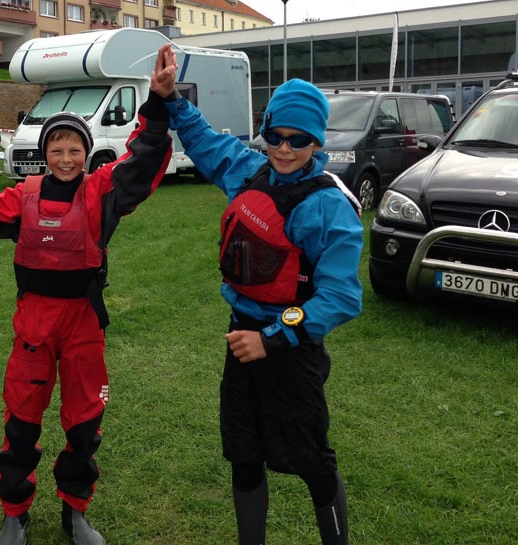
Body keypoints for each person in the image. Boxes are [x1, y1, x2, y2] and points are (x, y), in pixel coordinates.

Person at [0, 47, 176, 545]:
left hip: (82, 325)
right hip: (34, 323)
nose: (67, 158)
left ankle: (76, 511)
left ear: (87, 153)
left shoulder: (102, 194)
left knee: (84, 423)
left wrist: (157, 103)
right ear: (44, 154)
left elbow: (143, 160)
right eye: (57, 150)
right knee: (23, 422)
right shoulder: (23, 197)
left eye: (75, 150)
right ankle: (15, 512)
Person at [161, 48, 363, 545]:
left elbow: (341, 297)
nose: (285, 149)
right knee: (244, 455)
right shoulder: (248, 170)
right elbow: (205, 142)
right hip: (241, 339)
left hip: (291, 351)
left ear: (317, 142)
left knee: (313, 461)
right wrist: (170, 98)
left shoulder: (330, 208)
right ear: (265, 130)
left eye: (300, 140)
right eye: (276, 135)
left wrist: (272, 339)